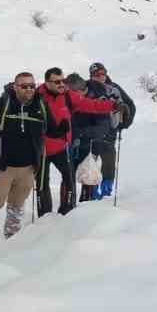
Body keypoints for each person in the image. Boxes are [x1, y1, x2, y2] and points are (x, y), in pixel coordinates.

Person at [0, 72, 46, 242]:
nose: (29, 89)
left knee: (17, 204)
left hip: (28, 167)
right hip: (3, 167)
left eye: (32, 85)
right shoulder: (3, 104)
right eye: (24, 86)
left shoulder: (40, 105)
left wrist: (61, 129)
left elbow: (49, 127)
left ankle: (12, 238)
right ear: (15, 87)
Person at [37, 67, 113, 215]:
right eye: (57, 81)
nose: (61, 84)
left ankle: (67, 213)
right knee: (41, 184)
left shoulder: (67, 95)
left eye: (62, 80)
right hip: (42, 148)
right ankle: (43, 217)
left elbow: (91, 105)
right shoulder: (37, 96)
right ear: (47, 82)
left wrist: (113, 106)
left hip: (62, 146)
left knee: (69, 179)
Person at [75, 61, 136, 199]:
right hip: (90, 132)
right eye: (97, 74)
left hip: (110, 130)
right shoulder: (85, 88)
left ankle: (106, 191)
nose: (101, 76)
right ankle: (90, 192)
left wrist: (125, 122)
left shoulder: (114, 88)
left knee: (108, 160)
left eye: (103, 73)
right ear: (91, 75)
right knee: (90, 163)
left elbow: (130, 105)